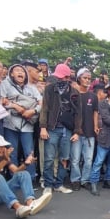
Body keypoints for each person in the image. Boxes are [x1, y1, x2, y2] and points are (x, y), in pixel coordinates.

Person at [0, 134, 51, 218]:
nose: (3, 149)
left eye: (4, 146)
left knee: (24, 173)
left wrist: (25, 164)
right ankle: (18, 207)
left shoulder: (2, 157)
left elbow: (16, 171)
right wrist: (5, 161)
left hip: (2, 195)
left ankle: (31, 203)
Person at [39, 63, 80, 195]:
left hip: (67, 129)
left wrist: (77, 131)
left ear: (68, 77)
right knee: (49, 158)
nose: (59, 79)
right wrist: (43, 128)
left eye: (62, 77)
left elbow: (78, 114)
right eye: (58, 77)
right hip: (52, 127)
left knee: (65, 158)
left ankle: (59, 184)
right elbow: (44, 109)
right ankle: (48, 184)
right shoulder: (50, 89)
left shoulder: (74, 92)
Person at [0, 64, 42, 184]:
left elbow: (41, 102)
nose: (20, 73)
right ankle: (14, 178)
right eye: (17, 70)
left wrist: (32, 111)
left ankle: (31, 178)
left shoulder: (31, 88)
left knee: (29, 152)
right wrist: (15, 106)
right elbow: (2, 101)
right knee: (11, 151)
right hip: (10, 124)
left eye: (22, 71)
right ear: (11, 74)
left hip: (27, 125)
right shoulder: (5, 85)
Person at [70, 67, 99, 191]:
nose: (87, 80)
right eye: (85, 78)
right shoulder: (73, 95)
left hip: (90, 133)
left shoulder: (93, 96)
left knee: (88, 159)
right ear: (79, 79)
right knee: (75, 159)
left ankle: (84, 180)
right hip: (76, 133)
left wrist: (96, 126)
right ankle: (75, 180)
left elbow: (95, 113)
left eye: (89, 78)